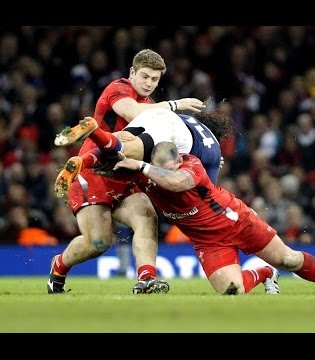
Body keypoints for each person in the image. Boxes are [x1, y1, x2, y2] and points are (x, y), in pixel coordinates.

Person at [112, 141, 315, 295]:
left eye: (168, 169)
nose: (164, 175)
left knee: (288, 258)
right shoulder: (145, 177)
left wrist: (144, 167)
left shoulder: (190, 164)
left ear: (180, 158)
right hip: (209, 242)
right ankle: (265, 273)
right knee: (231, 291)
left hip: (237, 221)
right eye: (160, 170)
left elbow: (179, 182)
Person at [47, 49, 205, 294]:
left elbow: (159, 146)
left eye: (155, 80)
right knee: (98, 243)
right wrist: (176, 104)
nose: (149, 83)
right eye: (144, 76)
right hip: (94, 173)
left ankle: (147, 279)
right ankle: (58, 265)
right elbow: (133, 113)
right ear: (132, 72)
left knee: (146, 217)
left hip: (125, 174)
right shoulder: (119, 89)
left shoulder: (153, 106)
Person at [54, 107, 231, 196]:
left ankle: (82, 161)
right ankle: (95, 131)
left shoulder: (192, 120)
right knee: (124, 153)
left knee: (119, 153)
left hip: (157, 115)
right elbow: (210, 195)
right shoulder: (213, 155)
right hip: (174, 131)